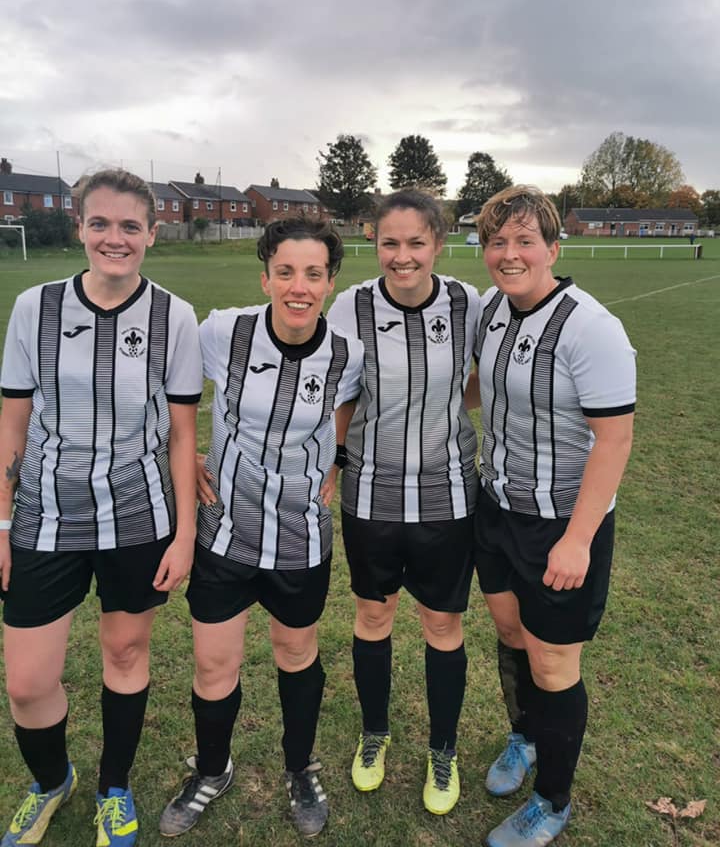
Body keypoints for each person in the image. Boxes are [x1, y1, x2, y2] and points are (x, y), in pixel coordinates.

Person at [0, 169, 202, 847]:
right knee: (28, 683)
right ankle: (51, 781)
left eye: (129, 226)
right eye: (100, 224)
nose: (114, 238)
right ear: (80, 226)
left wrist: (183, 535)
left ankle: (113, 787)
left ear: (151, 232)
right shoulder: (36, 307)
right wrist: (1, 524)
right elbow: (11, 428)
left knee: (125, 651)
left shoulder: (174, 315)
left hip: (138, 515)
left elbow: (180, 435)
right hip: (46, 512)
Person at [158, 217, 363, 839]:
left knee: (296, 654)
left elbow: (347, 408)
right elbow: (168, 388)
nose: (298, 287)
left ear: (330, 281)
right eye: (285, 272)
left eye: (313, 274)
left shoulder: (346, 354)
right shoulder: (224, 331)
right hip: (225, 533)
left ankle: (300, 768)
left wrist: (336, 454)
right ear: (265, 275)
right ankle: (212, 770)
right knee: (213, 664)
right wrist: (185, 452)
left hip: (300, 535)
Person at [471, 186, 636, 847]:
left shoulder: (590, 327)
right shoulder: (490, 308)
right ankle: (526, 736)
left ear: (552, 248)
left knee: (554, 663)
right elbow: (480, 387)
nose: (509, 255)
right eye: (497, 243)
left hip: (561, 525)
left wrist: (577, 539)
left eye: (523, 241)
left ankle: (553, 800)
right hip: (497, 507)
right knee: (511, 633)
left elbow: (615, 440)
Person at [326, 188, 482, 815]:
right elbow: (336, 390)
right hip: (371, 493)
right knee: (373, 617)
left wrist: (437, 418)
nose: (402, 256)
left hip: (447, 495)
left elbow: (484, 381)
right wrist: (336, 460)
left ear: (438, 245)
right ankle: (374, 735)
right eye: (390, 243)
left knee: (442, 624)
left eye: (416, 242)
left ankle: (442, 750)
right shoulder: (350, 306)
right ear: (375, 243)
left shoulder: (470, 303)